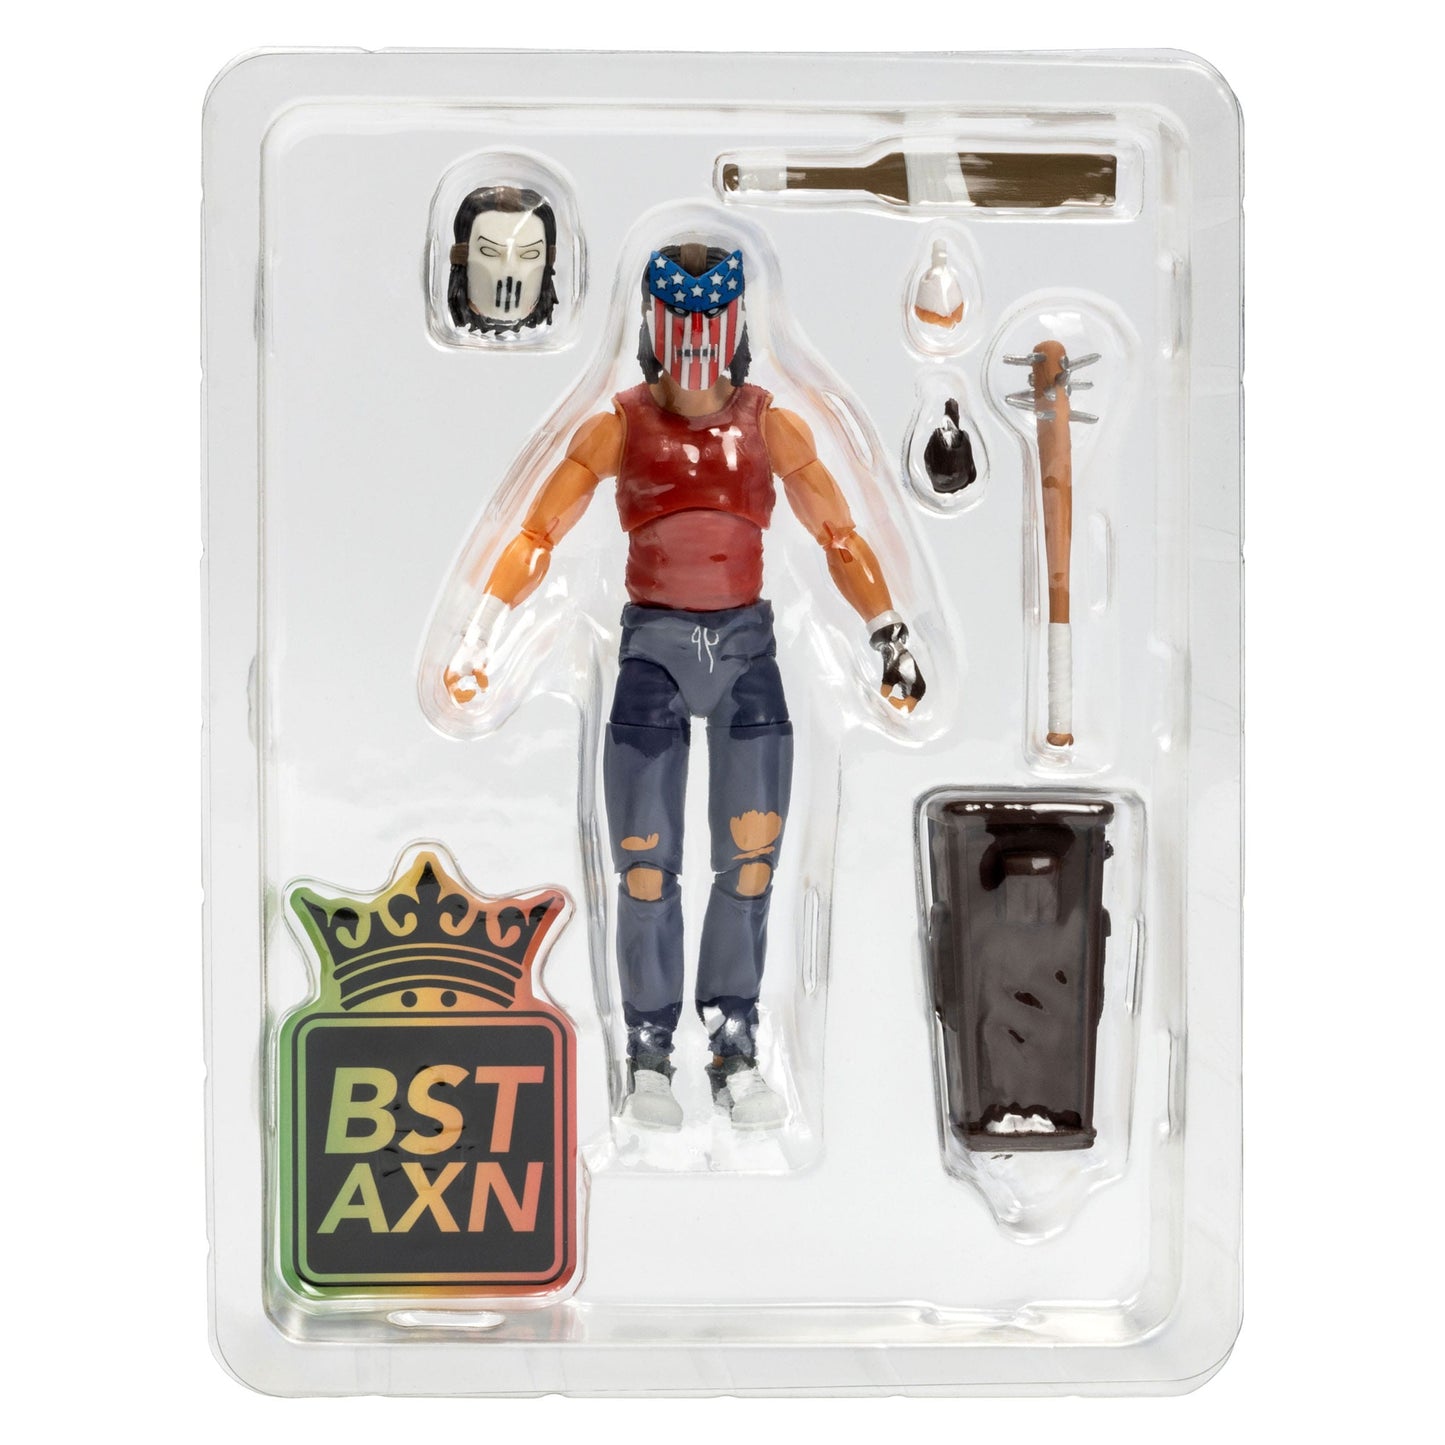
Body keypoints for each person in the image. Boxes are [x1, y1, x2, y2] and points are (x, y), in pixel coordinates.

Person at [444, 239, 925, 1130]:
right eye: (681, 317)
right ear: (653, 324)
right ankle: (648, 1051)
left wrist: (888, 633)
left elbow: (841, 536)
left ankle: (734, 1044)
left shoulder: (771, 427)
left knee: (750, 864)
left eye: (712, 317)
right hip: (653, 658)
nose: (697, 338)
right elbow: (536, 532)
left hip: (745, 655)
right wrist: (480, 634)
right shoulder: (618, 427)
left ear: (736, 323)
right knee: (643, 869)